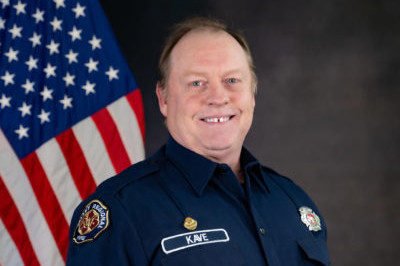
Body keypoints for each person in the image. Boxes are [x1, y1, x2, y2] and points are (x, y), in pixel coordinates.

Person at [66, 17, 330, 265]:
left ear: (252, 95)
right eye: (196, 83)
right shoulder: (121, 211)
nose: (217, 97)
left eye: (232, 80)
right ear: (164, 99)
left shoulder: (294, 202)